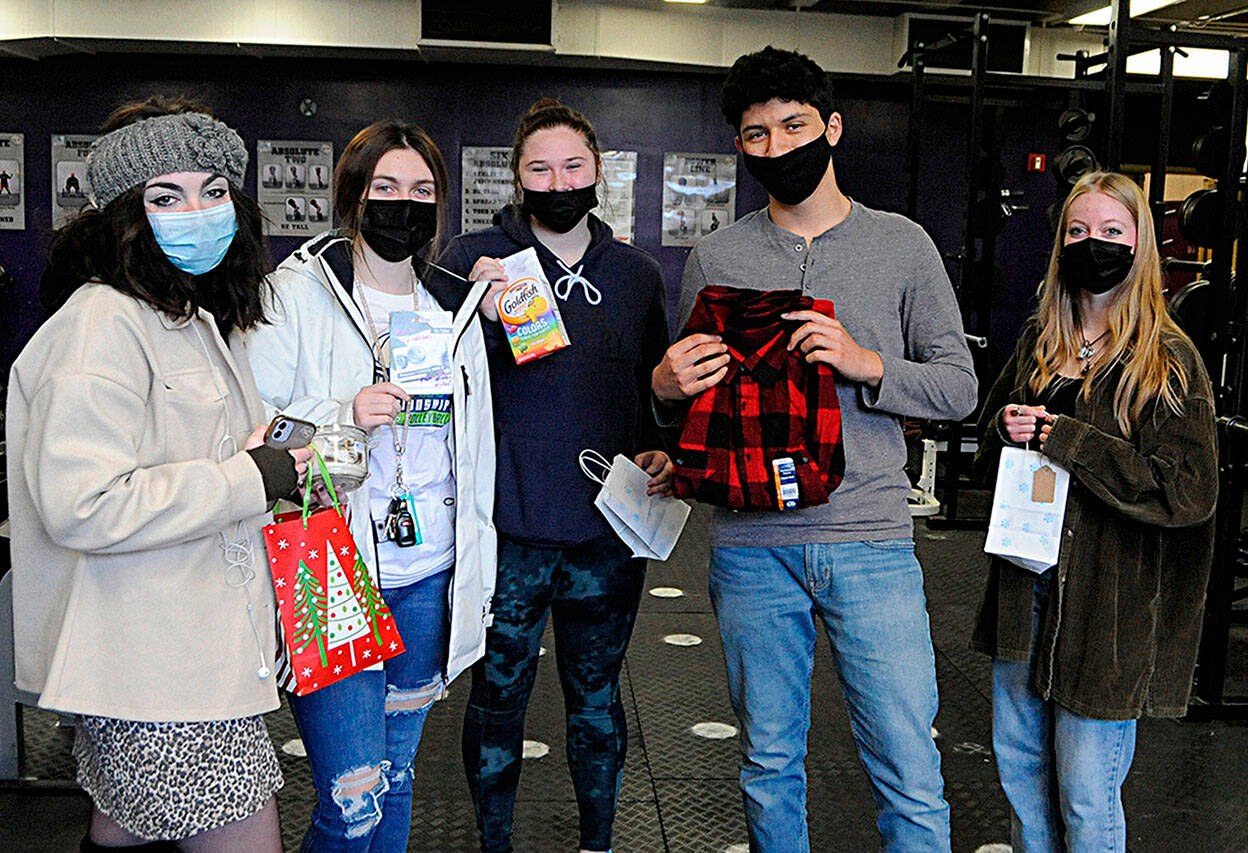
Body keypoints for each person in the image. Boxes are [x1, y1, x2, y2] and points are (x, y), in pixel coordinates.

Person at [652, 47, 976, 852]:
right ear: (741, 147)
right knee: (768, 763)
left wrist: (865, 364)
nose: (777, 146)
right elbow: (693, 413)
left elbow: (960, 388)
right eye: (757, 134)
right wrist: (664, 387)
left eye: (793, 125)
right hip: (751, 545)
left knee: (907, 764)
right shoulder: (717, 258)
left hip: (870, 538)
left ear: (831, 127)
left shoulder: (903, 245)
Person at [8, 97, 311, 853]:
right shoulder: (102, 321)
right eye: (166, 196)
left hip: (187, 651)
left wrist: (272, 464)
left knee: (125, 829)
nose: (197, 212)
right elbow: (83, 504)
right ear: (123, 215)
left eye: (213, 191)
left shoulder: (189, 313)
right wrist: (250, 476)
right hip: (157, 667)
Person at [245, 118, 497, 852]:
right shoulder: (293, 293)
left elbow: (471, 444)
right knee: (351, 799)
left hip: (428, 567)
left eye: (421, 190)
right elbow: (255, 427)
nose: (403, 203)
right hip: (327, 563)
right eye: (385, 186)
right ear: (353, 194)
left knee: (396, 776)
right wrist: (341, 414)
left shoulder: (452, 309)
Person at [434, 98, 672, 853]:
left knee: (596, 702)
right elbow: (432, 386)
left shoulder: (635, 275)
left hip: (606, 536)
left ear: (598, 172)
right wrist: (474, 309)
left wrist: (662, 446)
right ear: (516, 177)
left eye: (572, 165)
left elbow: (653, 393)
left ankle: (596, 841)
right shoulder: (470, 262)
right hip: (505, 531)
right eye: (539, 167)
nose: (557, 180)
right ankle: (493, 841)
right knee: (495, 700)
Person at [972, 171, 1217, 852]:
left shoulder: (1167, 362)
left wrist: (1067, 437)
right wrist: (1005, 429)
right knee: (1023, 787)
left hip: (1110, 615)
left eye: (1112, 231)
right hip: (1025, 595)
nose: (1093, 244)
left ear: (1140, 245)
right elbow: (984, 446)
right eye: (1078, 231)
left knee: (1085, 796)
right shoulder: (1040, 343)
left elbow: (1188, 491)